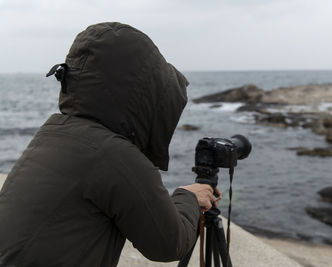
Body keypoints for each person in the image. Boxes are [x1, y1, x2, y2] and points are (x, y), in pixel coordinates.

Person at [0, 22, 221, 266]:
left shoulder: (53, 133)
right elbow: (169, 244)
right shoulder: (114, 155)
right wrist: (188, 197)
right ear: (143, 96)